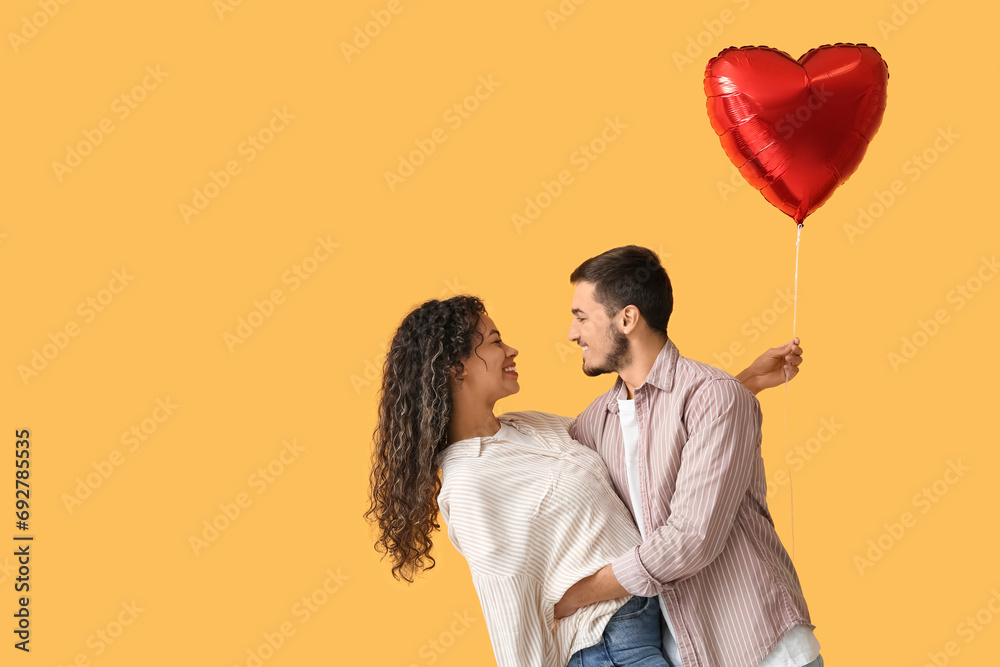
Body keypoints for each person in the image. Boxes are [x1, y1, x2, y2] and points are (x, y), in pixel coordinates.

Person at [366, 293, 801, 666]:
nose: (512, 350)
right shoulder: (469, 483)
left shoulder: (529, 426)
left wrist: (738, 386)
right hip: (608, 649)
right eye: (495, 341)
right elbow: (508, 608)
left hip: (656, 627)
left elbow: (638, 443)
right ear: (456, 368)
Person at [553, 245, 821, 667]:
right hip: (682, 654)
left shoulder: (714, 397)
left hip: (762, 650)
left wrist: (572, 596)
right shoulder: (592, 425)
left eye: (581, 316)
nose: (572, 333)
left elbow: (691, 539)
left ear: (627, 318)